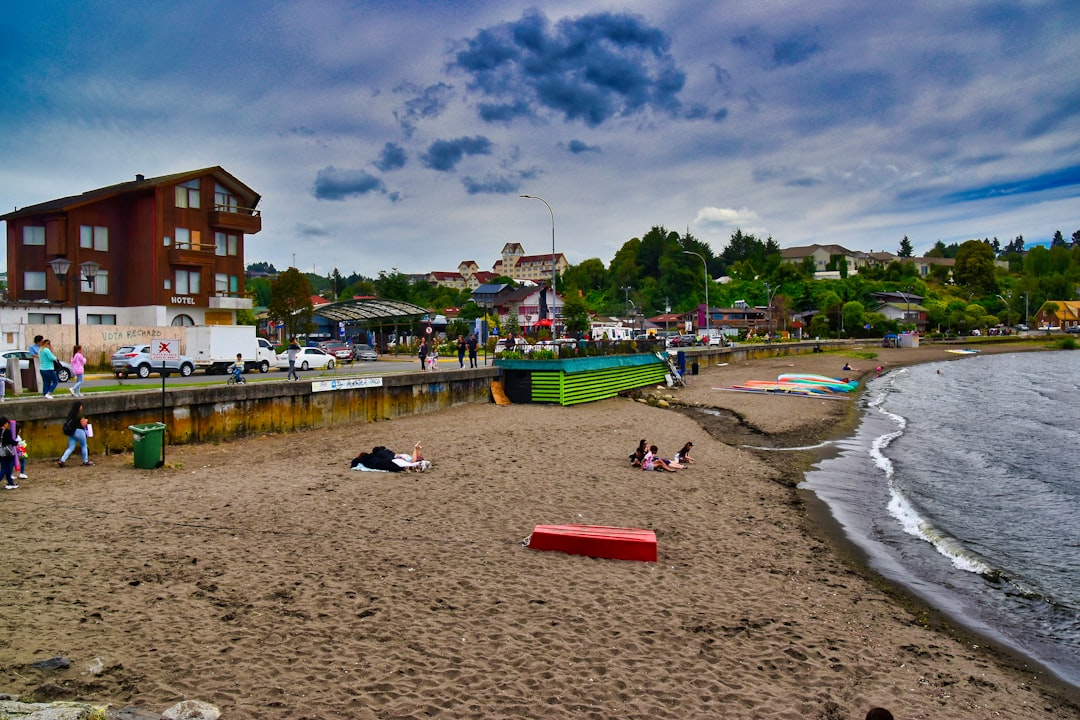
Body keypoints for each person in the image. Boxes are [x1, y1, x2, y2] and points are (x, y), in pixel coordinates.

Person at [58, 400, 93, 467]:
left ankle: (62, 460)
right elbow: (83, 424)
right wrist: (86, 421)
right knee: (84, 445)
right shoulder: (79, 414)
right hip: (79, 431)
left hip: (72, 432)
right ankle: (85, 461)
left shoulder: (70, 414)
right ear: (79, 407)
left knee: (71, 447)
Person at [0, 416, 18, 489]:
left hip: (0, 452)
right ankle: (10, 482)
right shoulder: (7, 432)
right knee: (6, 468)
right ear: (4, 424)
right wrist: (16, 442)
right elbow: (12, 442)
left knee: (5, 467)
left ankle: (10, 482)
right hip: (7, 452)